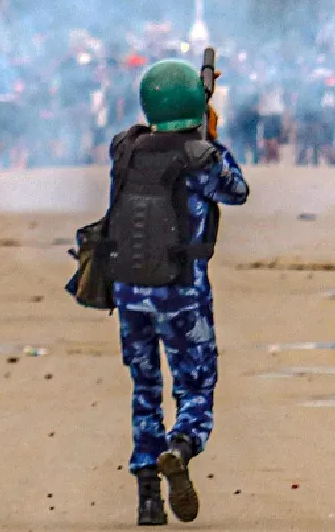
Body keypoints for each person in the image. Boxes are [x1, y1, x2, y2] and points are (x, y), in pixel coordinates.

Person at [106, 59, 249, 526]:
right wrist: (211, 137)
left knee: (145, 389)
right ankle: (181, 447)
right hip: (182, 293)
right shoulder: (202, 158)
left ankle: (148, 499)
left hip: (130, 291)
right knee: (195, 386)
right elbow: (237, 190)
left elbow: (150, 136)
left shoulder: (124, 149)